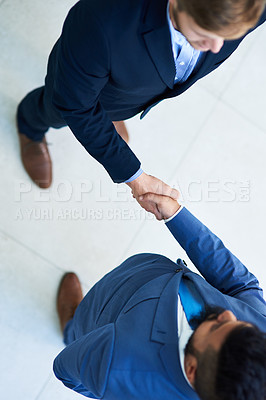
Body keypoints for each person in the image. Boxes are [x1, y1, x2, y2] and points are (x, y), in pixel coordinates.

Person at [17, 0, 266, 213]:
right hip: (84, 88)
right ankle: (29, 125)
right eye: (205, 33)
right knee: (55, 108)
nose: (216, 47)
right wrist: (135, 177)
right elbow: (75, 105)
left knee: (119, 97)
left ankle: (113, 114)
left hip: (124, 91)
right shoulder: (101, 19)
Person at [54, 193, 266, 400]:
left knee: (79, 336)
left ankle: (71, 329)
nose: (228, 314)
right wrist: (175, 216)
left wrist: (107, 386)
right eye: (241, 323)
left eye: (215, 326)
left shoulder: (117, 367)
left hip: (98, 314)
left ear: (192, 370)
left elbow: (64, 370)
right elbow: (241, 287)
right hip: (144, 269)